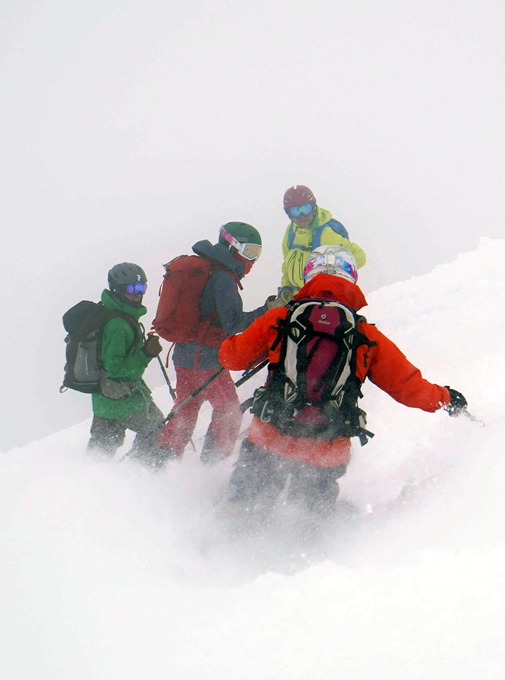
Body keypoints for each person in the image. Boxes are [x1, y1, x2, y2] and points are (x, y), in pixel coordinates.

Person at [219, 245, 467, 521]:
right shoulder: (364, 334)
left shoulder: (279, 319)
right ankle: (310, 557)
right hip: (325, 450)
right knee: (309, 523)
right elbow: (408, 387)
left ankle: (225, 552)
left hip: (269, 438)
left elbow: (231, 359)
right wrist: (445, 398)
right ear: (351, 280)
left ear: (309, 276)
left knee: (242, 513)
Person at [154, 223, 280, 465]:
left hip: (184, 355)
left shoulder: (209, 269)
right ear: (233, 245)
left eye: (257, 254)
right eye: (250, 251)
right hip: (207, 360)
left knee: (186, 409)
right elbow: (234, 323)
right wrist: (268, 310)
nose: (252, 260)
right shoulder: (222, 277)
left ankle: (163, 460)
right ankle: (214, 464)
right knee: (229, 411)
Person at [87, 262, 165, 464]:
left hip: (105, 398)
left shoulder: (113, 313)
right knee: (156, 428)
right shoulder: (118, 325)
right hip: (121, 398)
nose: (138, 293)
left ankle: (86, 483)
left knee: (100, 451)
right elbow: (115, 368)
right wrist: (146, 353)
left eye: (142, 288)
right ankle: (139, 474)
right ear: (118, 289)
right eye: (133, 288)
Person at [276, 185, 367, 303]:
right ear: (288, 214)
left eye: (305, 208)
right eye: (296, 211)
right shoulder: (291, 232)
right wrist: (286, 288)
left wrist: (333, 279)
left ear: (313, 206)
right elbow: (287, 266)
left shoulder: (325, 233)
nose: (302, 215)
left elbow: (359, 257)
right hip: (296, 301)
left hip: (321, 301)